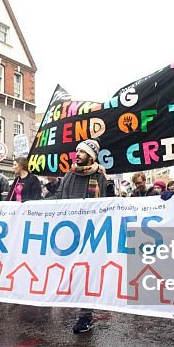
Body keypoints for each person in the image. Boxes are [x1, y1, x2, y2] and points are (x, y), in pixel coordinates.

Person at [55, 139, 115, 334]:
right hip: (70, 230)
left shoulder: (101, 177)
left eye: (82, 151)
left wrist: (112, 189)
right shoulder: (69, 175)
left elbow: (109, 203)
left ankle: (85, 315)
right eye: (77, 151)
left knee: (87, 272)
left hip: (92, 232)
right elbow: (58, 199)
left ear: (91, 156)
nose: (77, 154)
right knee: (72, 271)